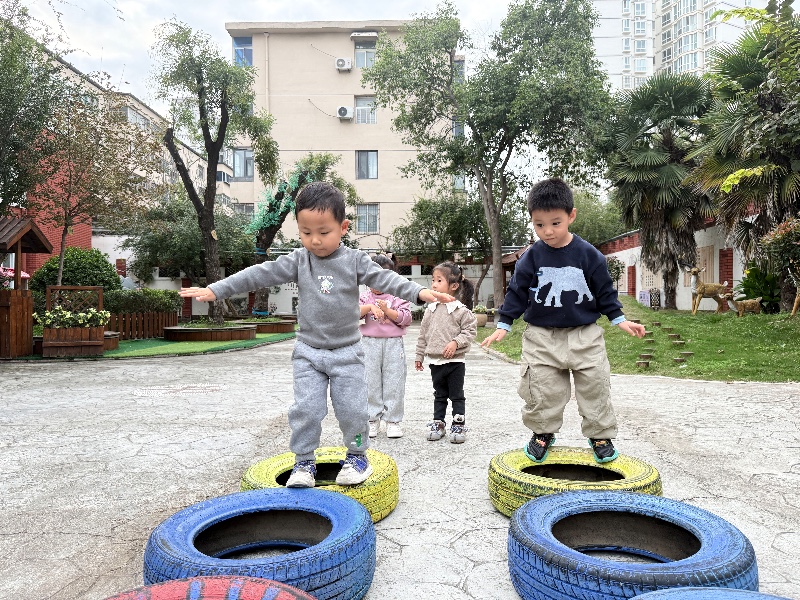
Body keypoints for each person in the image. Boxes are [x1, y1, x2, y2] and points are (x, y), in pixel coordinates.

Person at [179, 182, 453, 488]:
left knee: (353, 410)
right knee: (306, 410)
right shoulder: (299, 260)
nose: (315, 240)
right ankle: (304, 462)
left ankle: (357, 456)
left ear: (343, 227)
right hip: (308, 353)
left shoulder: (354, 260)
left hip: (347, 352)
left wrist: (418, 292)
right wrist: (216, 289)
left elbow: (386, 278)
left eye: (324, 232)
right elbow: (259, 273)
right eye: (306, 232)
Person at [481, 178, 645, 464]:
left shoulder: (589, 255)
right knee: (541, 388)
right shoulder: (531, 258)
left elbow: (604, 291)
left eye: (555, 223)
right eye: (539, 224)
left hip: (585, 335)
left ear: (571, 216)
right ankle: (542, 432)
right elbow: (517, 292)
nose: (548, 231)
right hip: (541, 338)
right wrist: (503, 323)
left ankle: (600, 435)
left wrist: (619, 318)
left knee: (595, 385)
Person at [415, 261, 478, 444]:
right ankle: (439, 423)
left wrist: (455, 342)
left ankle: (458, 424)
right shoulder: (430, 310)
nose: (434, 285)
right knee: (439, 395)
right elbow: (423, 335)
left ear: (454, 286)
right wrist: (419, 355)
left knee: (457, 395)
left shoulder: (461, 311)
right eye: (433, 280)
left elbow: (470, 331)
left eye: (439, 280)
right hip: (435, 362)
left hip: (455, 362)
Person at [359, 255, 413, 439]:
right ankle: (371, 419)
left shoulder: (398, 295)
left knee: (394, 381)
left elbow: (406, 318)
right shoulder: (364, 297)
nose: (376, 284)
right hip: (369, 343)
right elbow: (353, 313)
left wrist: (388, 311)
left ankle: (393, 420)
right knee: (369, 381)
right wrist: (369, 307)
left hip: (393, 343)